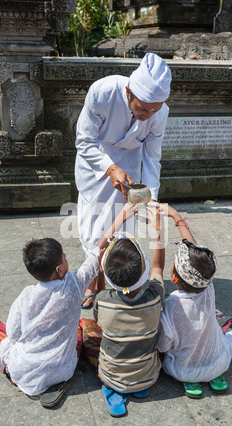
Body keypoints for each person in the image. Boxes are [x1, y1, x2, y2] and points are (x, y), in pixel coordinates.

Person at [0, 204, 137, 408]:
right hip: (64, 368)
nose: (67, 259)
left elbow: (13, 334)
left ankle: (13, 373)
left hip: (24, 369)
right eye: (65, 257)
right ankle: (53, 377)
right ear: (59, 269)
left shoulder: (26, 296)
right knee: (78, 330)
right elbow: (98, 250)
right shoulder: (74, 284)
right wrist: (121, 217)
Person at [75, 52, 172, 308]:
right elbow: (84, 141)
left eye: (154, 110)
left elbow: (152, 159)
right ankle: (93, 281)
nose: (147, 115)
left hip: (129, 168)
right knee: (95, 229)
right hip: (97, 165)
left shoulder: (158, 114)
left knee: (122, 229)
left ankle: (119, 278)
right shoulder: (102, 92)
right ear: (128, 91)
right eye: (142, 108)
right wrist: (109, 167)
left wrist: (151, 200)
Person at [155, 204, 232, 398]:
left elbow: (163, 346)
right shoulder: (208, 287)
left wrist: (168, 219)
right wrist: (176, 216)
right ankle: (214, 376)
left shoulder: (171, 306)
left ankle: (193, 381)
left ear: (174, 277)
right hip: (219, 363)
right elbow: (195, 253)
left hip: (182, 371)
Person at [92, 209, 165, 417]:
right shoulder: (155, 296)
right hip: (150, 376)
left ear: (107, 275)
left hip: (110, 376)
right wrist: (158, 232)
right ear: (143, 270)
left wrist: (99, 271)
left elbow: (98, 316)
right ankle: (138, 386)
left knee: (89, 333)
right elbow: (158, 267)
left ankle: (113, 389)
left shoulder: (102, 301)